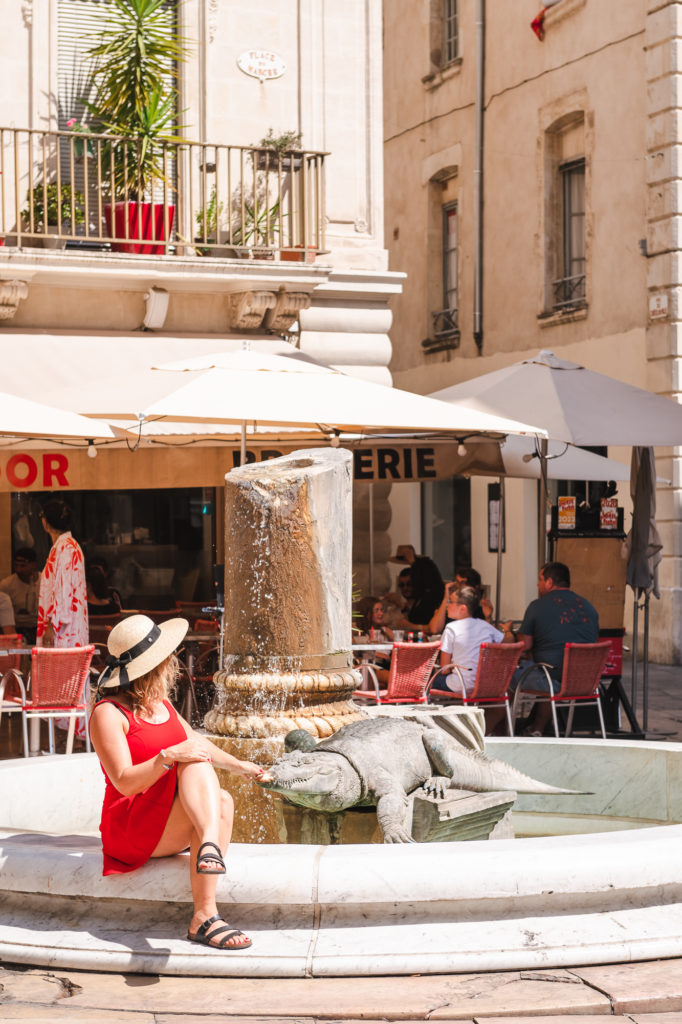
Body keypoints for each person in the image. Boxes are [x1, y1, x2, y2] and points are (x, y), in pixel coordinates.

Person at [89, 614, 264, 951]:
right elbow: (125, 782)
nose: (173, 664)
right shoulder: (108, 713)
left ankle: (204, 914)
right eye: (167, 659)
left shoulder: (160, 704)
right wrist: (166, 757)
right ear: (154, 666)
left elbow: (195, 741)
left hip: (163, 820)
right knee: (193, 764)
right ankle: (206, 902)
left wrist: (240, 765)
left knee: (221, 796)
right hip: (130, 824)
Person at [502, 561, 599, 735]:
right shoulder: (589, 606)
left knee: (506, 674)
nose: (538, 585)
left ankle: (503, 730)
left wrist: (508, 631)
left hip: (551, 677)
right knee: (547, 671)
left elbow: (525, 645)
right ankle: (537, 728)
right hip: (587, 680)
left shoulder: (537, 606)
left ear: (549, 582)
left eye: (540, 580)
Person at [436, 584, 505, 695]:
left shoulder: (451, 628)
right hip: (485, 684)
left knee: (426, 682)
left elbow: (445, 669)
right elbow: (507, 643)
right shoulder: (485, 626)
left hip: (460, 685)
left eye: (450, 601)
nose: (447, 605)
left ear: (463, 608)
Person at [36, 500, 88, 648]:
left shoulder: (66, 548)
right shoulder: (68, 546)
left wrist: (52, 626)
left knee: (59, 668)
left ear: (46, 522)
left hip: (62, 629)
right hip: (67, 625)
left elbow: (63, 592)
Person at [0, 547, 39, 640]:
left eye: (23, 566)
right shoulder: (6, 585)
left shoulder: (45, 582)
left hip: (39, 628)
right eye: (16, 565)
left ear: (33, 565)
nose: (19, 569)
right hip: (17, 629)